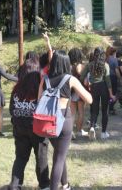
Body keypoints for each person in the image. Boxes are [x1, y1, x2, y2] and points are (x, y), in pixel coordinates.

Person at [38, 50, 92, 190]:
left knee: (59, 154)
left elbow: (39, 100)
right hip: (64, 119)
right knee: (59, 158)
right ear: (66, 63)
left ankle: (65, 184)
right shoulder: (70, 79)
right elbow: (89, 99)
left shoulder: (45, 79)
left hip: (48, 119)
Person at [8, 59, 50, 190]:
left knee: (20, 158)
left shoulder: (16, 88)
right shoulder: (41, 87)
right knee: (41, 158)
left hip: (20, 127)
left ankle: (14, 186)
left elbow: (11, 109)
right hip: (37, 128)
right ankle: (44, 185)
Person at [80, 47, 115, 140]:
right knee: (105, 110)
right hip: (104, 87)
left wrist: (86, 84)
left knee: (94, 110)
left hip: (93, 88)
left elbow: (82, 76)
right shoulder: (106, 65)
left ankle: (92, 127)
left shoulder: (89, 65)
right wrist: (111, 94)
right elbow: (108, 81)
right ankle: (103, 132)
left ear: (94, 55)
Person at [68, 48, 88, 137]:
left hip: (71, 91)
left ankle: (70, 132)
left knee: (72, 113)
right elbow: (84, 79)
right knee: (81, 111)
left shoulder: (68, 66)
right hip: (79, 91)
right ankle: (79, 131)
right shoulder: (80, 66)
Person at [106, 46, 120, 115]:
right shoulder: (114, 60)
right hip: (113, 78)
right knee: (113, 94)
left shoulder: (105, 59)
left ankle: (107, 106)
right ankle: (111, 107)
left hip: (105, 78)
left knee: (107, 93)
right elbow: (116, 70)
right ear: (114, 52)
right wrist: (119, 78)